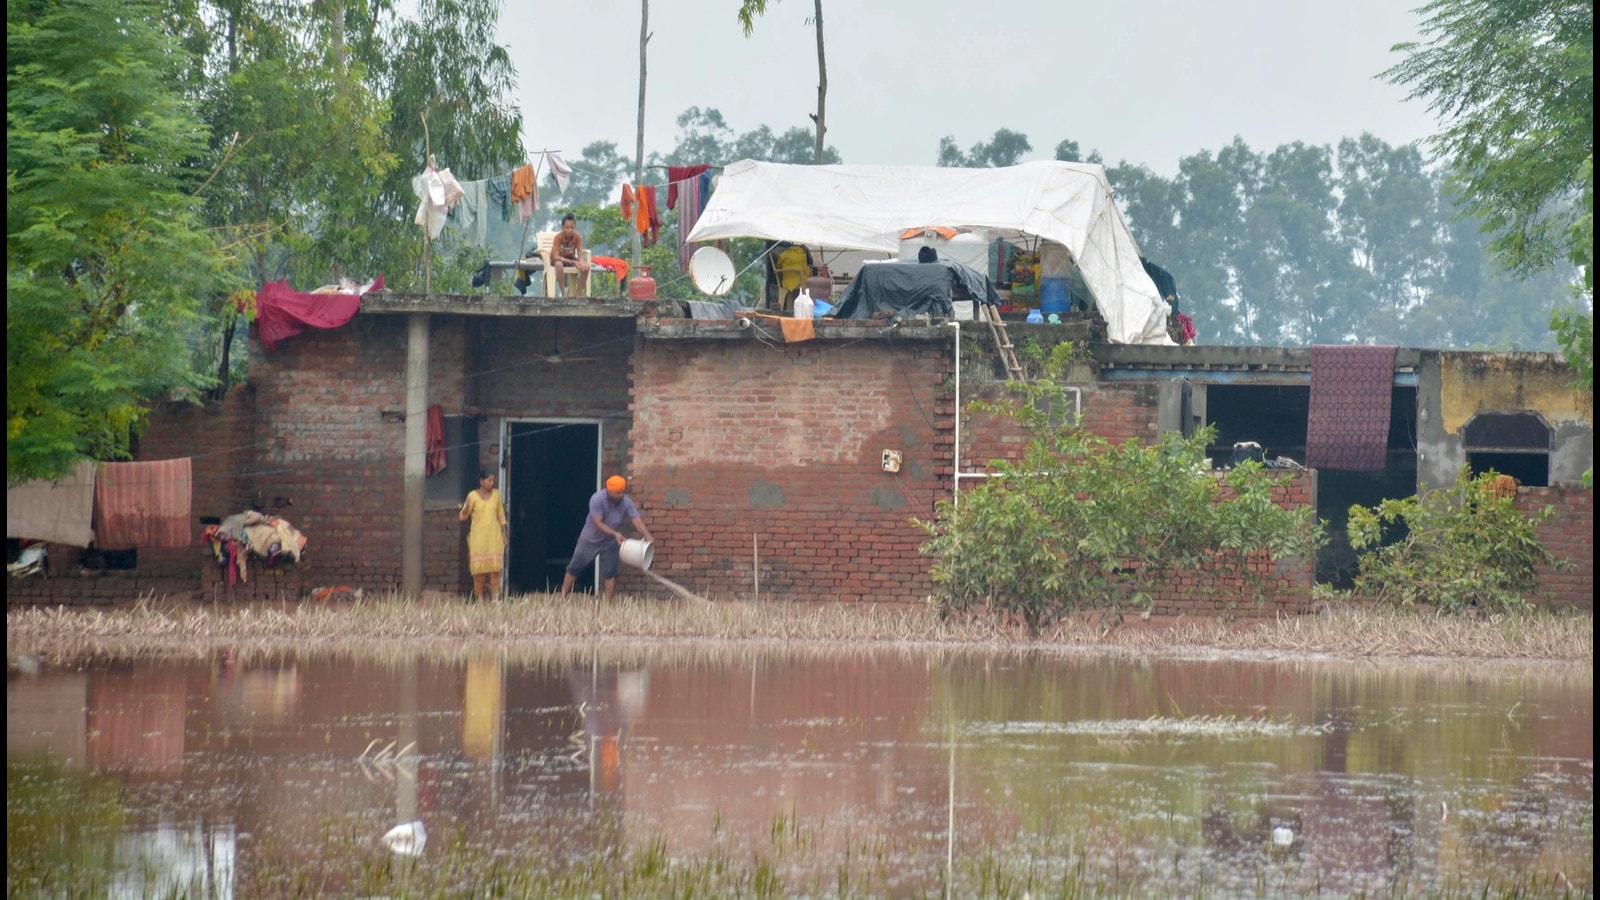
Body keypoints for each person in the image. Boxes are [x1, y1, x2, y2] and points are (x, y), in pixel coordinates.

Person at [560, 475, 653, 600]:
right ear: (609, 491)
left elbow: (636, 520)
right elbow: (598, 523)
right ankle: (562, 596)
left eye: (622, 492)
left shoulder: (626, 502)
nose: (621, 495)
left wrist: (647, 536)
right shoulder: (597, 499)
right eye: (618, 493)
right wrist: (615, 534)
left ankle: (608, 603)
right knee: (574, 567)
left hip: (611, 542)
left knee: (611, 572)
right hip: (590, 539)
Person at [459, 468, 507, 601]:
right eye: (489, 480)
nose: (492, 483)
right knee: (478, 570)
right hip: (478, 537)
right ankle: (479, 599)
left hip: (493, 536)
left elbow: (501, 515)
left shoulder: (496, 495)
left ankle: (495, 598)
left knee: (494, 569)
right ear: (481, 481)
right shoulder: (472, 496)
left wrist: (504, 533)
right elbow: (463, 516)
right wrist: (466, 508)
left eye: (493, 480)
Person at [550, 213, 590, 297]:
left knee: (586, 268)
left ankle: (578, 294)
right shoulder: (558, 238)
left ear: (575, 227)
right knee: (559, 265)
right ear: (562, 227)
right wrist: (573, 262)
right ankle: (564, 293)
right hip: (558, 260)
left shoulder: (577, 237)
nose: (569, 230)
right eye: (567, 228)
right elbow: (556, 256)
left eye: (572, 228)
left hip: (571, 259)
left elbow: (580, 252)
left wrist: (581, 263)